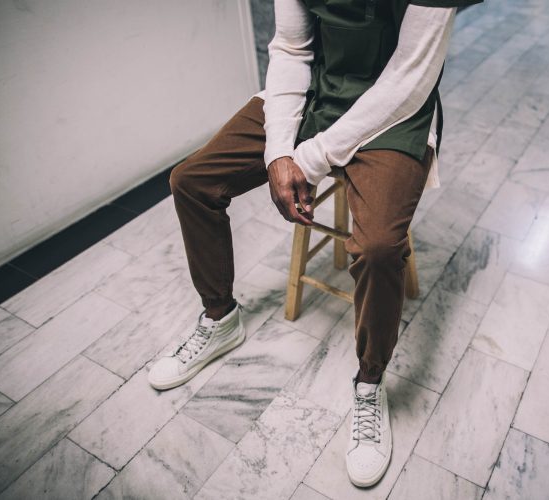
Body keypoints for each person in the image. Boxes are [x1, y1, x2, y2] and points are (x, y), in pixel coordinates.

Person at [147, 0, 481, 487]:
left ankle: (370, 382)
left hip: (396, 110)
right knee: (192, 180)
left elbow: (410, 76)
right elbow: (291, 47)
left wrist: (311, 159)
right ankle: (220, 319)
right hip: (319, 91)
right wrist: (279, 151)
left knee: (378, 248)